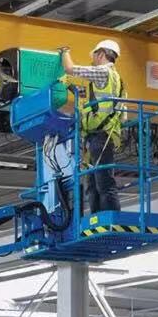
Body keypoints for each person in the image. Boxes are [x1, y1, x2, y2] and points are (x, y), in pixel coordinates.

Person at [61, 38, 125, 212]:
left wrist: (64, 51)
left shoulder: (104, 72)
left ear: (101, 54)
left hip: (102, 135)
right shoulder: (111, 80)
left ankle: (109, 219)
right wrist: (70, 87)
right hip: (96, 137)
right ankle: (97, 219)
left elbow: (70, 68)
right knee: (93, 184)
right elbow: (89, 96)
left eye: (94, 56)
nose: (92, 60)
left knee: (103, 182)